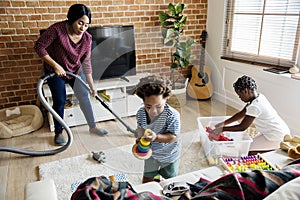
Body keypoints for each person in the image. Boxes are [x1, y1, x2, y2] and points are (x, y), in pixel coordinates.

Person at [34, 4, 108, 146]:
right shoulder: (57, 30)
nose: (83, 28)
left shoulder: (87, 38)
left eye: (86, 25)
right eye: (80, 23)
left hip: (75, 70)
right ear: (71, 19)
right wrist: (56, 65)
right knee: (60, 100)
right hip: (55, 70)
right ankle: (59, 132)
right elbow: (39, 46)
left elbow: (86, 62)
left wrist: (92, 86)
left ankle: (93, 127)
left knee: (84, 96)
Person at [212, 75, 290, 154]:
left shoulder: (255, 106)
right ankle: (273, 147)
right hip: (274, 131)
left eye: (239, 95)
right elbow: (241, 113)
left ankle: (276, 149)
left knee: (246, 152)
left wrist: (222, 129)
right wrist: (223, 123)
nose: (239, 97)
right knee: (246, 146)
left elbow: (242, 127)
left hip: (276, 136)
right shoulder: (259, 97)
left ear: (246, 91)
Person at [134, 75, 181, 183]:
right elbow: (140, 128)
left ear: (166, 98)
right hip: (150, 153)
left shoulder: (172, 115)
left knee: (170, 180)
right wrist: (139, 138)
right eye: (148, 106)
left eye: (158, 106)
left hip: (169, 155)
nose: (153, 111)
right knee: (147, 179)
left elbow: (173, 137)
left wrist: (156, 137)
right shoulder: (141, 113)